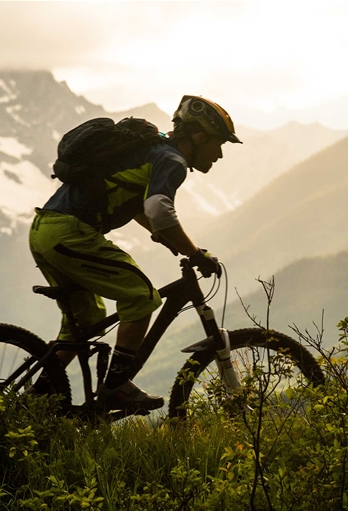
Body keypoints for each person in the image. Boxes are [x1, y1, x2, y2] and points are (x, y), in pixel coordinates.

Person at [28, 95, 242, 410]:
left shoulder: (148, 149)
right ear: (199, 137)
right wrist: (194, 254)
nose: (220, 154)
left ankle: (36, 401)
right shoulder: (172, 160)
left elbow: (138, 204)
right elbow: (158, 207)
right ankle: (115, 386)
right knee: (141, 296)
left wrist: (166, 237)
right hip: (70, 234)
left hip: (45, 231)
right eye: (219, 144)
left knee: (87, 318)